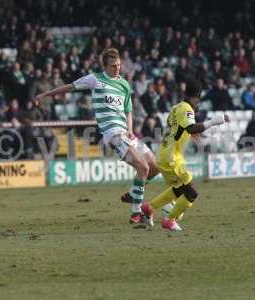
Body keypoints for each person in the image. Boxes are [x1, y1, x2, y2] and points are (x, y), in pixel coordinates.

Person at [35, 48, 159, 224]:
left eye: (119, 65)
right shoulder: (95, 79)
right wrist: (45, 94)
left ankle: (133, 194)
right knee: (143, 168)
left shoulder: (124, 84)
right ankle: (136, 213)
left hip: (126, 132)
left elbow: (128, 110)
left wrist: (130, 129)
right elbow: (70, 86)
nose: (117, 68)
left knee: (155, 166)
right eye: (113, 66)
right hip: (113, 133)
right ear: (105, 66)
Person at [139, 81, 229, 231]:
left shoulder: (176, 107)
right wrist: (215, 121)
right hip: (171, 157)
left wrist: (190, 134)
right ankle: (169, 220)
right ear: (197, 97)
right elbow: (191, 128)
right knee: (192, 192)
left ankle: (149, 207)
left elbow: (174, 125)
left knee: (180, 189)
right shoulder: (187, 109)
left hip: (166, 153)